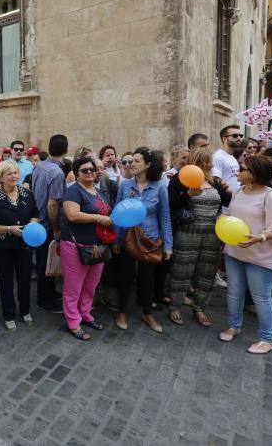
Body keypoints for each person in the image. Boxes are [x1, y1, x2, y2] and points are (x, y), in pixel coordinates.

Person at [220, 155, 272, 354]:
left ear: (253, 175)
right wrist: (224, 220)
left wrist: (260, 237)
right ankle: (234, 326)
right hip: (235, 251)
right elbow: (233, 216)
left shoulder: (269, 196)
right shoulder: (239, 192)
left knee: (261, 297)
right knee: (234, 292)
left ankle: (267, 339)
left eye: (242, 169)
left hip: (261, 256)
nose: (238, 172)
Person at [167, 146, 231, 327]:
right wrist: (187, 194)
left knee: (207, 273)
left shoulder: (215, 182)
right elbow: (170, 205)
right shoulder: (180, 179)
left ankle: (199, 307)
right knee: (181, 271)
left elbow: (228, 201)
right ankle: (175, 306)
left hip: (212, 235)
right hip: (188, 233)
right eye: (208, 161)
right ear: (200, 162)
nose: (212, 164)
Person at [115, 147, 172, 333]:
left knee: (147, 279)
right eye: (131, 161)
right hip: (126, 239)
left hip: (150, 240)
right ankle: (121, 311)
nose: (131, 164)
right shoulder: (124, 185)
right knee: (124, 276)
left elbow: (164, 217)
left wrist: (168, 244)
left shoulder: (159, 187)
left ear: (148, 164)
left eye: (137, 161)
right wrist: (116, 239)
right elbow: (116, 212)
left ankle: (148, 313)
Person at [59, 157, 114, 340]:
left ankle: (85, 313)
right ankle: (73, 322)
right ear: (76, 174)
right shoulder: (73, 192)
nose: (90, 172)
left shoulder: (97, 192)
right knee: (73, 288)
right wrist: (98, 218)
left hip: (98, 246)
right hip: (76, 246)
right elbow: (72, 215)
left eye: (91, 169)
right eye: (85, 170)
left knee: (91, 285)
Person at [0, 161, 38, 331]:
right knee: (6, 281)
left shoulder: (27, 194)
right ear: (0, 177)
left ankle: (25, 311)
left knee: (24, 279)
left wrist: (32, 225)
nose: (14, 176)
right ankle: (8, 314)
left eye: (15, 173)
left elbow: (35, 214)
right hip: (3, 246)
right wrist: (9, 229)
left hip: (24, 245)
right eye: (9, 174)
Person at [31, 134, 69, 314]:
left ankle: (49, 291)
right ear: (66, 150)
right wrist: (56, 228)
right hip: (47, 225)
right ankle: (43, 299)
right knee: (45, 263)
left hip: (37, 221)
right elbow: (53, 203)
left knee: (44, 261)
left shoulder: (40, 167)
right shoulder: (57, 172)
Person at [212, 124, 244, 192]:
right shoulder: (218, 156)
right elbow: (216, 179)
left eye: (240, 136)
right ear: (224, 139)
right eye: (235, 136)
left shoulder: (231, 156)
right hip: (226, 198)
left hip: (235, 198)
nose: (239, 138)